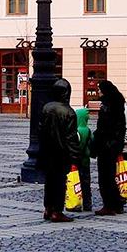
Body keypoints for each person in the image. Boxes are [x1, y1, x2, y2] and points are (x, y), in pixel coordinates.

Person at [37, 78, 81, 223]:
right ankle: (57, 211)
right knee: (60, 182)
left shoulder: (46, 107)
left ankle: (48, 209)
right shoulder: (69, 112)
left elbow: (40, 130)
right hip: (61, 153)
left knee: (49, 181)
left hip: (47, 151)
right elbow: (71, 138)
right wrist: (75, 157)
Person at [91, 80, 127, 216]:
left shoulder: (107, 106)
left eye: (99, 89)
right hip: (113, 145)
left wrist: (99, 142)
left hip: (107, 146)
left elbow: (104, 128)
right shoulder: (117, 104)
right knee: (111, 176)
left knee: (105, 177)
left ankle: (109, 205)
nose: (98, 92)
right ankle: (117, 204)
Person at [71, 107, 93, 212]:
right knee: (86, 182)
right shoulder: (88, 130)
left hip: (77, 161)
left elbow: (74, 146)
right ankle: (87, 204)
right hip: (86, 161)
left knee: (76, 182)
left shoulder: (77, 131)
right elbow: (92, 142)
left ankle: (76, 203)